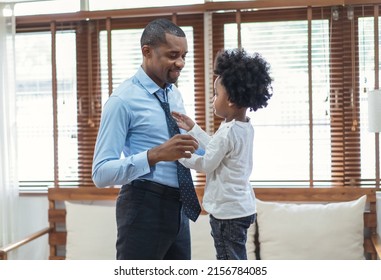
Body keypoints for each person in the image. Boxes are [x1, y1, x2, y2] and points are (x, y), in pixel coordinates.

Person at [92, 18, 200, 260]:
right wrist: (155, 155)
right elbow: (100, 173)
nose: (180, 63)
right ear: (147, 52)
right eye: (173, 55)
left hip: (179, 207)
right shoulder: (122, 100)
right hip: (143, 206)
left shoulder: (175, 95)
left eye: (184, 55)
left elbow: (188, 152)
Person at [172, 48, 273, 260]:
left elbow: (207, 163)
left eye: (216, 94)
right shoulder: (242, 127)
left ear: (231, 101)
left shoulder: (227, 131)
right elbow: (217, 150)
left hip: (227, 214)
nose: (212, 99)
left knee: (228, 261)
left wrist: (181, 156)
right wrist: (194, 129)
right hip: (242, 209)